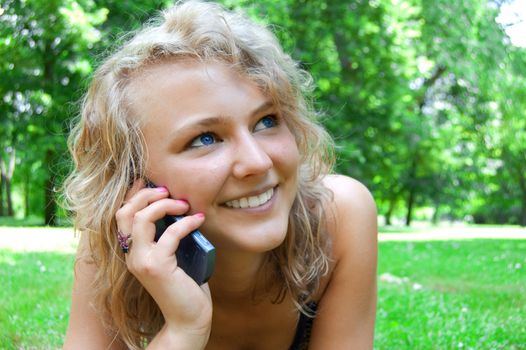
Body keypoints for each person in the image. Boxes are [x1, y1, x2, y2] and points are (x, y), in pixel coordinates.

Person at [62, 1, 377, 349]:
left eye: (267, 121)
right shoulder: (116, 239)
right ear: (134, 180)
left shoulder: (340, 216)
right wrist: (183, 330)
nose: (257, 162)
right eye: (205, 139)